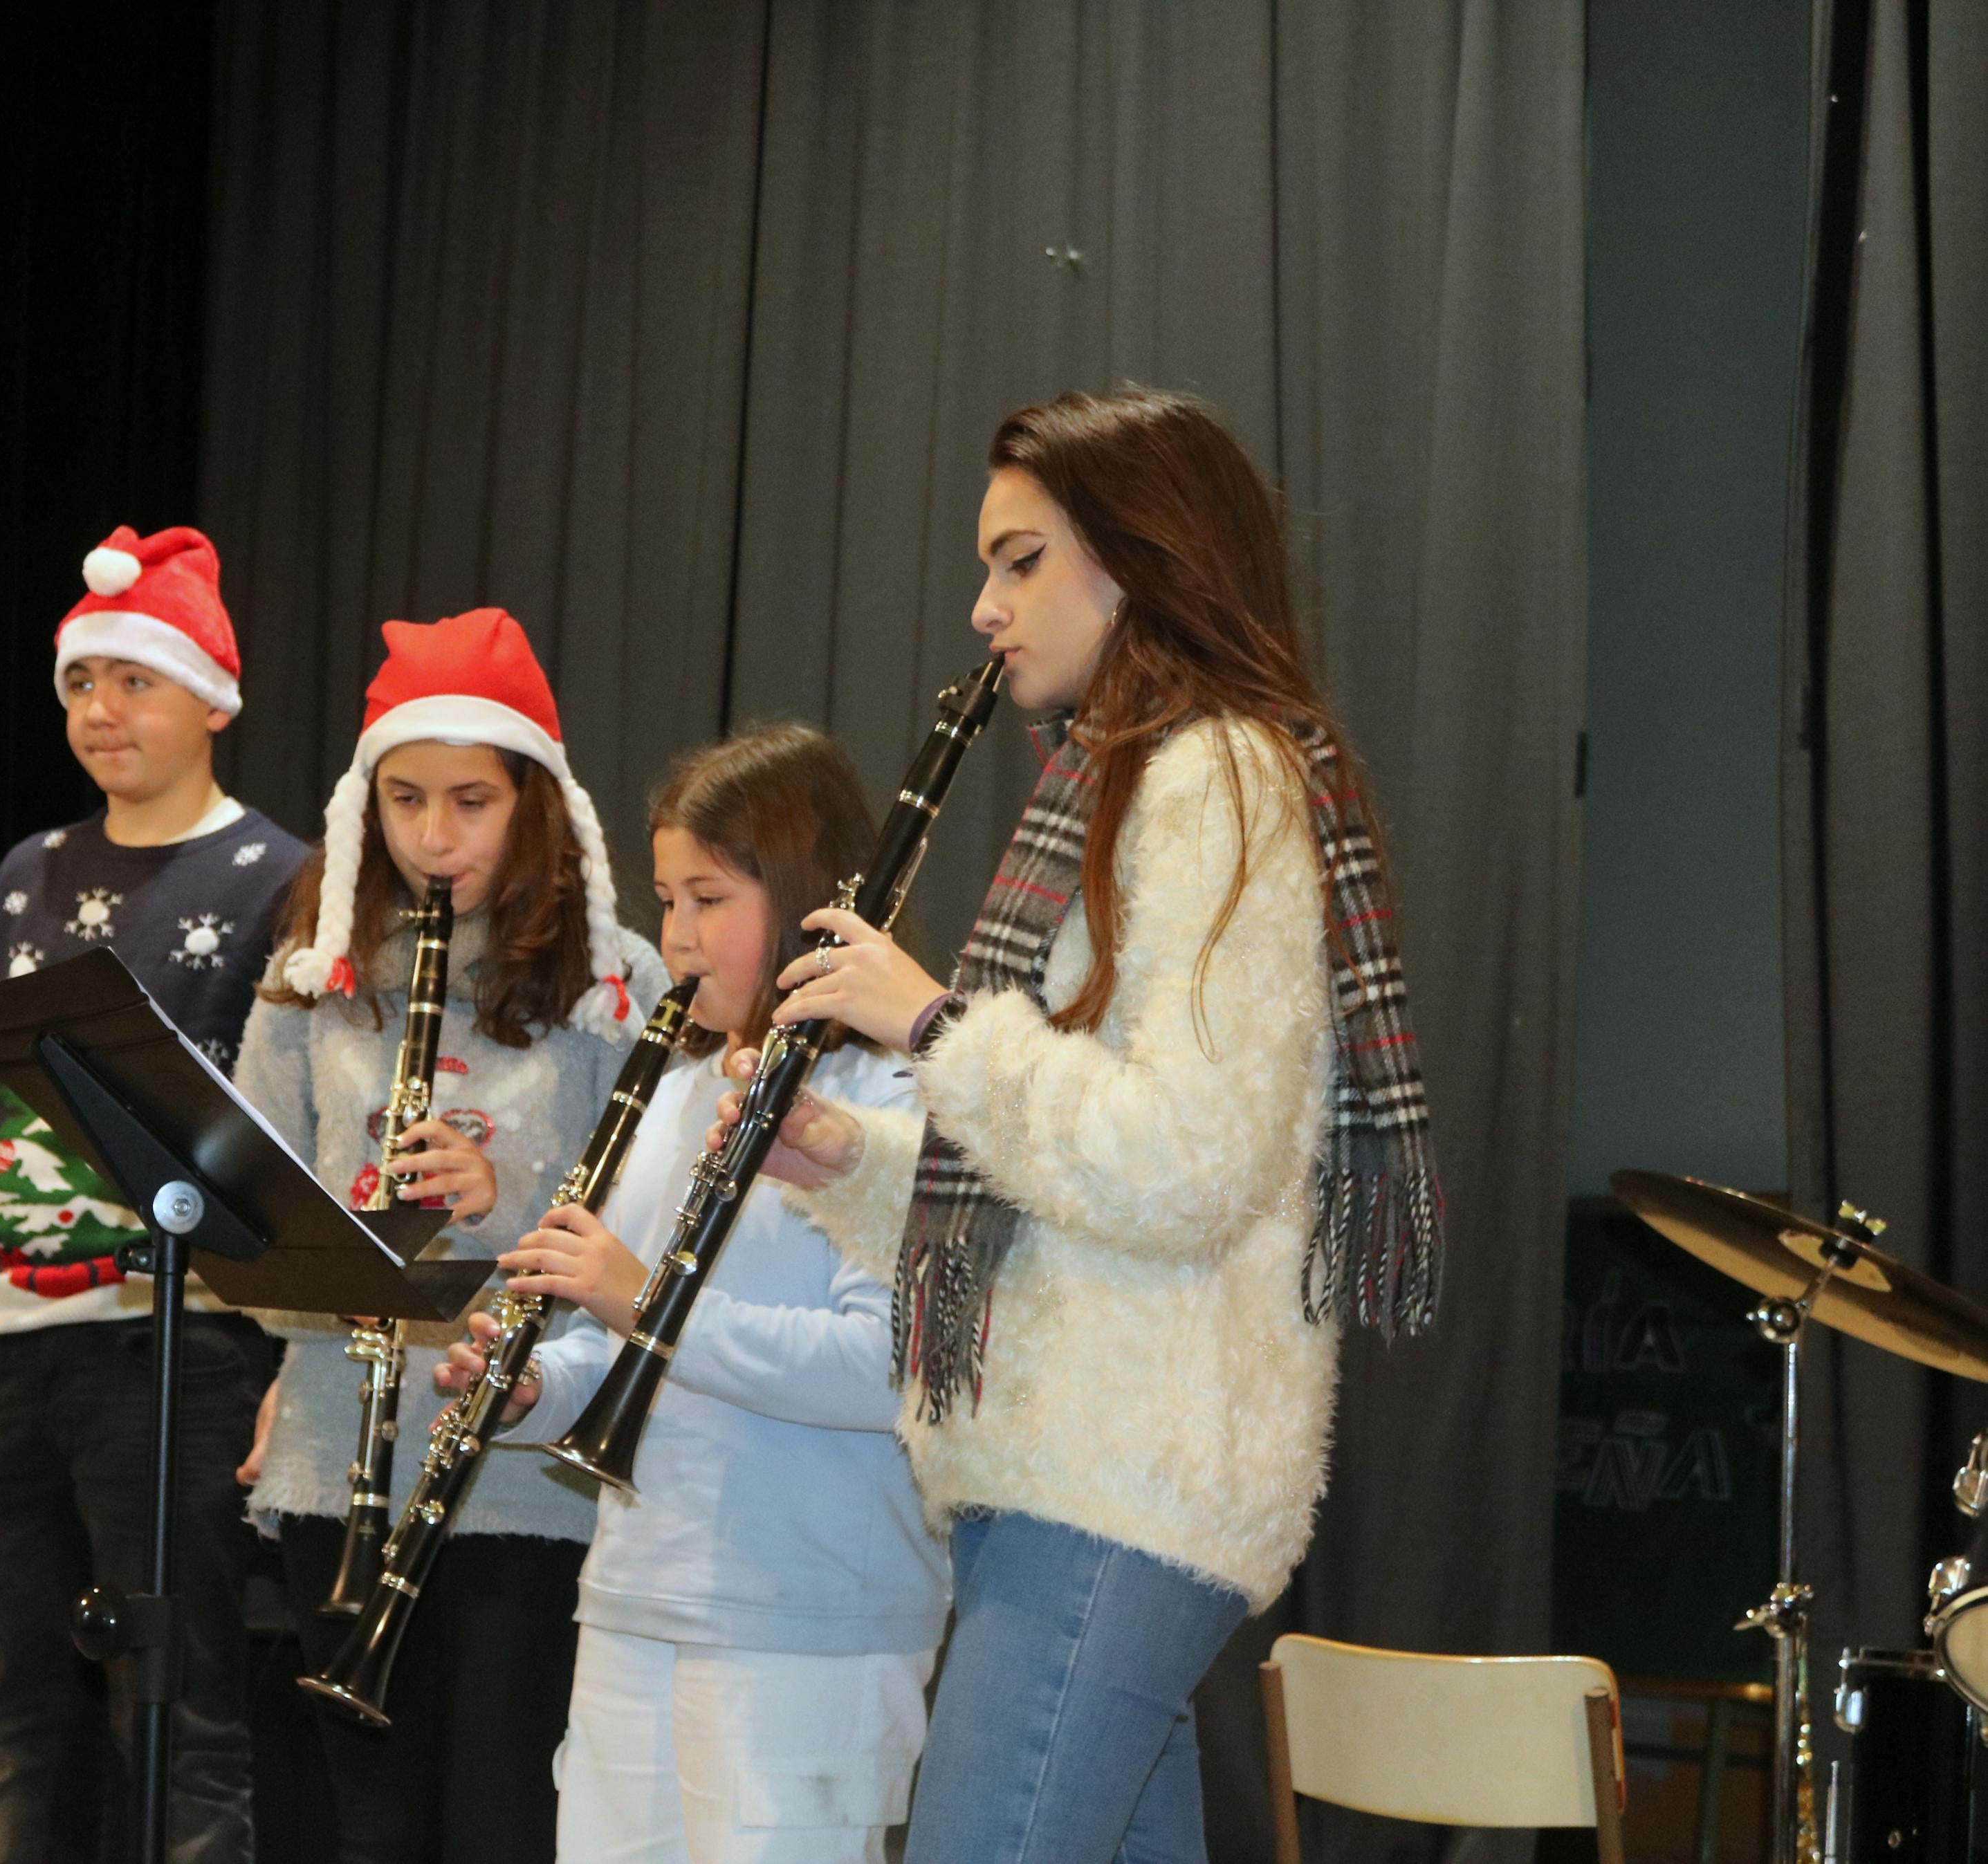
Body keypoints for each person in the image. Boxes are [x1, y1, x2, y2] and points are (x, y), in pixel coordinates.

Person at [720, 390, 1444, 1864]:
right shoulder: (1132, 783)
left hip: (1125, 1476)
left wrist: (929, 1024)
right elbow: (1079, 1169)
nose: (986, 609)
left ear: (1140, 555)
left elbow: (1185, 1166)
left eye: (1021, 559)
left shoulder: (1214, 780)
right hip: (1074, 1467)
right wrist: (847, 1164)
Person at [0, 526, 305, 1864]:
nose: (101, 713)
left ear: (213, 700)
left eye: (135, 682)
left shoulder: (276, 877)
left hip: (172, 1351)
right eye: (80, 685)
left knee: (181, 1720)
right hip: (2, 1348)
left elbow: (280, 1131)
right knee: (26, 1722)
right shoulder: (26, 873)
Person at [440, 723, 951, 1864]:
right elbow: (615, 1341)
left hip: (811, 1623)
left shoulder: (902, 1097)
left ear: (812, 896)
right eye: (666, 899)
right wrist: (538, 1387)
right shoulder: (672, 1098)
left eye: (709, 898)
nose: (674, 938)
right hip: (633, 1595)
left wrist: (639, 1303)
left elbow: (886, 1375)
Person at [230, 607, 670, 1864]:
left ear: (535, 802)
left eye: (472, 801)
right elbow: (253, 1236)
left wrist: (502, 1200)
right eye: (408, 799)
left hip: (521, 1468)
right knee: (370, 1828)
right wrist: (340, 1231)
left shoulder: (614, 978)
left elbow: (658, 1247)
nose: (436, 836)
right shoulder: (317, 974)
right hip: (338, 1452)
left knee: (498, 1821)